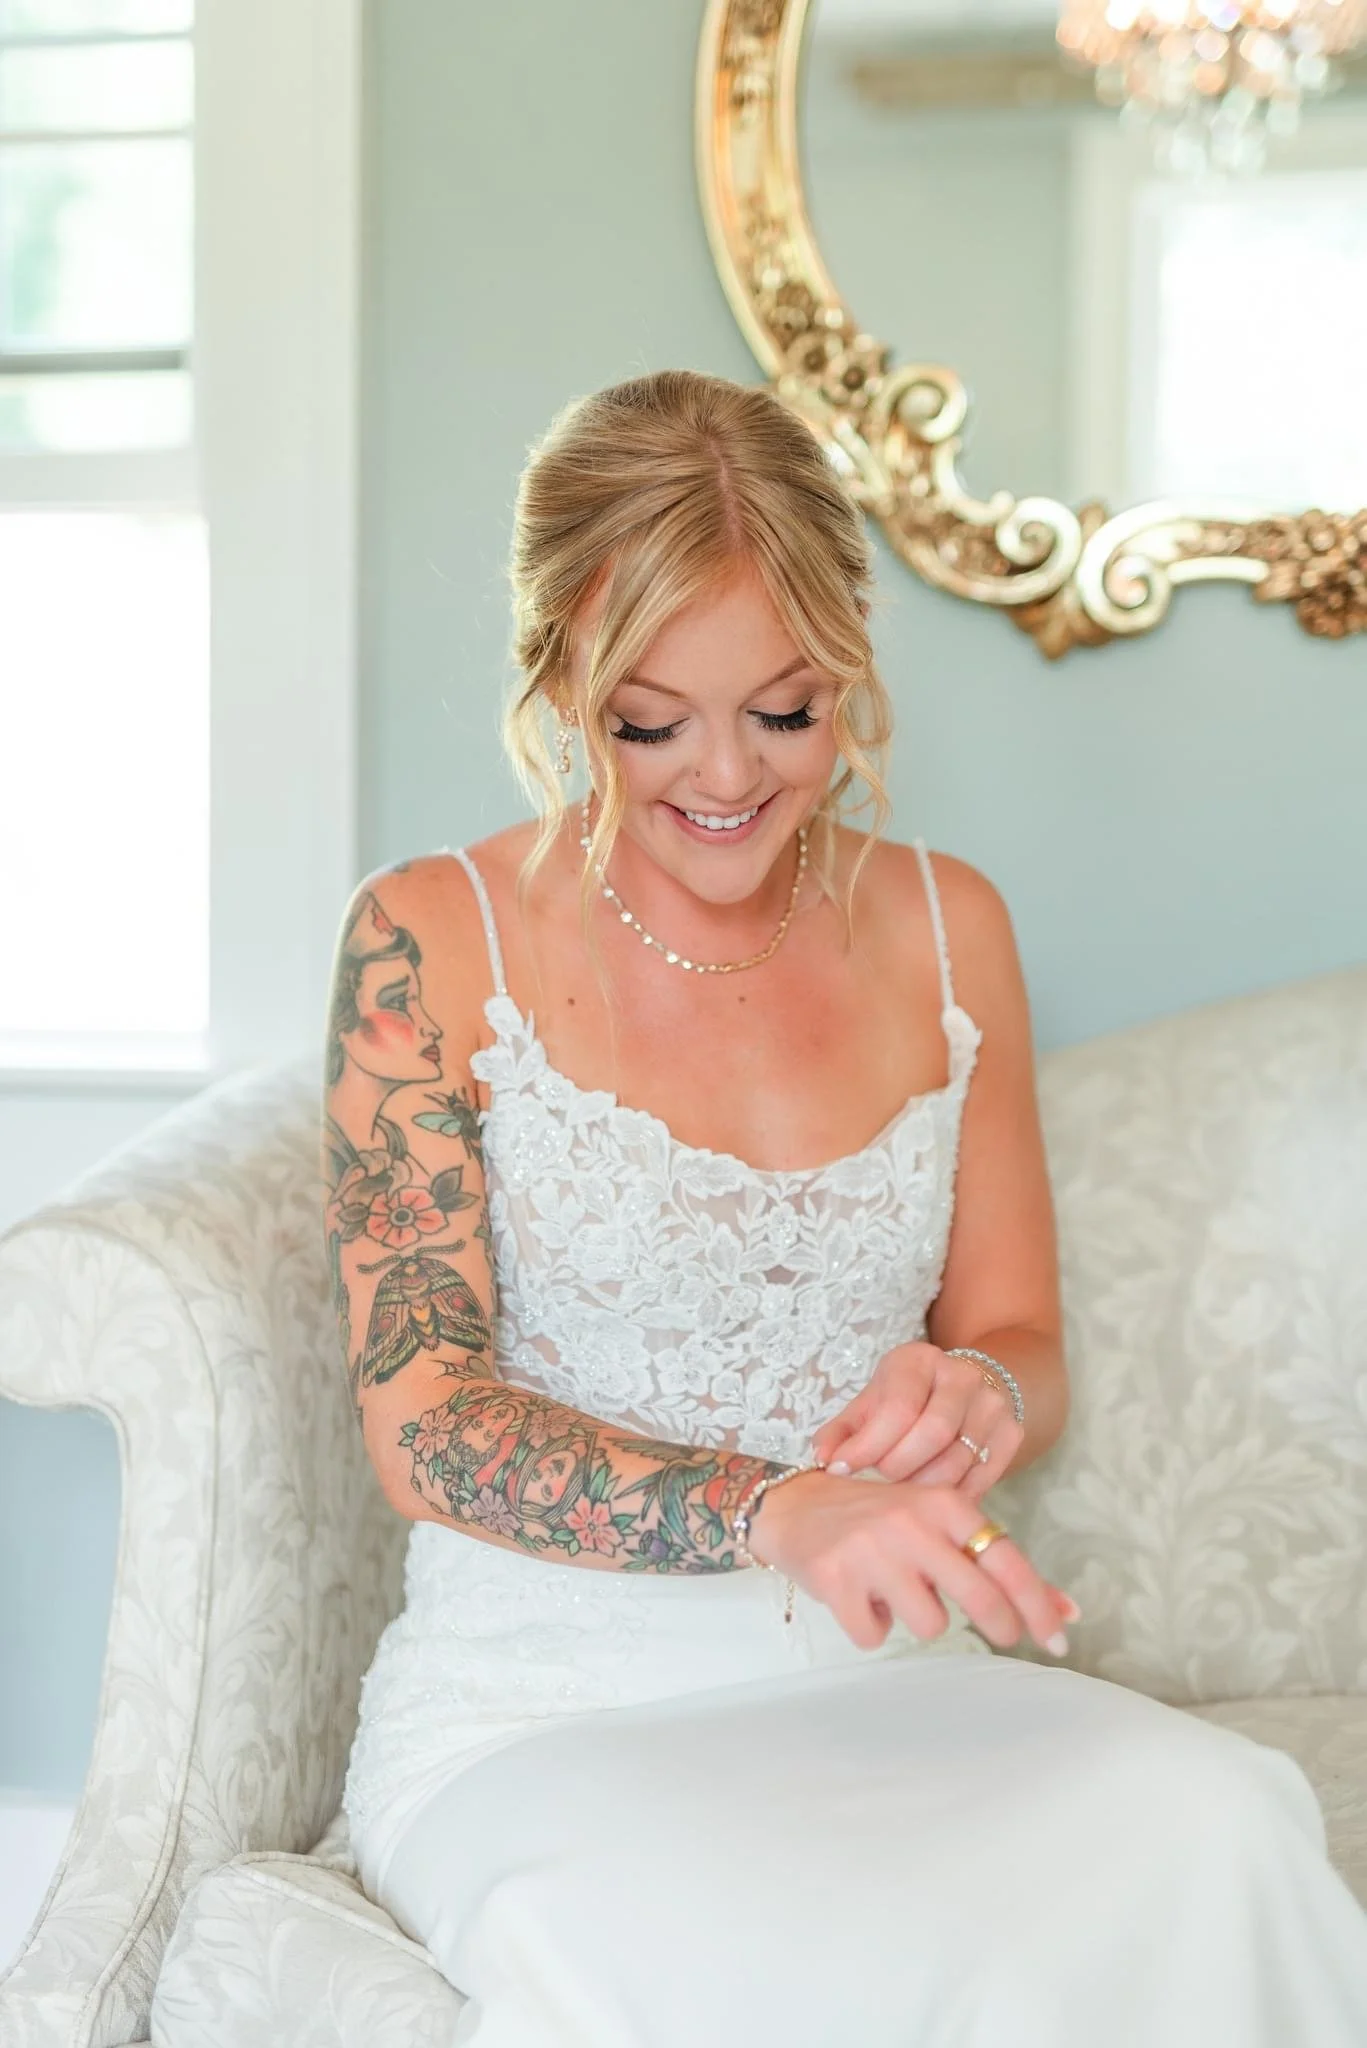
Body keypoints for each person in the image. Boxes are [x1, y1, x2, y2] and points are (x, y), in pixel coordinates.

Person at [324, 368, 1367, 2047]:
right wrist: (777, 1509)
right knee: (778, 1960)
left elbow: (1022, 1337)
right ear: (557, 679)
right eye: (649, 721)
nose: (726, 776)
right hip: (546, 1708)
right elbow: (426, 1424)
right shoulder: (429, 939)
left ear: (852, 673)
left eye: (786, 712)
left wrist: (982, 1394)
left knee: (1222, 1823)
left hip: (886, 1675)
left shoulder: (952, 927)